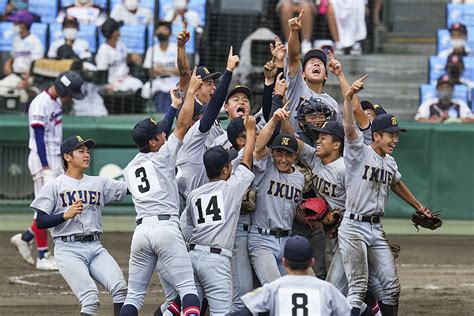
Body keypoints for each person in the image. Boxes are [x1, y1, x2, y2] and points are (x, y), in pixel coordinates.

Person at [341, 75, 434, 316]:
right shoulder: (357, 152)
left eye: (397, 134)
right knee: (358, 287)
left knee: (392, 287)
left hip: (375, 228)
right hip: (352, 225)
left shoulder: (389, 162)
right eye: (390, 134)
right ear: (377, 135)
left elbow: (397, 183)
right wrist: (349, 97)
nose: (395, 139)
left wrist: (419, 206)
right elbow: (350, 126)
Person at [119, 69, 203, 316]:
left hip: (141, 232)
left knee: (133, 297)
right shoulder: (163, 157)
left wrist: (172, 106)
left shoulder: (130, 167)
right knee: (189, 290)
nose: (163, 134)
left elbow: (162, 131)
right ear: (153, 143)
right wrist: (188, 95)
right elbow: (183, 124)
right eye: (159, 135)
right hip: (166, 229)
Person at [31, 135, 128, 315]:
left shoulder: (99, 182)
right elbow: (40, 221)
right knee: (90, 299)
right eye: (81, 151)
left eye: (87, 151)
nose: (86, 155)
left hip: (96, 247)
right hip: (68, 249)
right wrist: (64, 215)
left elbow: (129, 187)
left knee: (121, 288)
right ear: (67, 157)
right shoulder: (54, 186)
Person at [180, 115, 256, 314]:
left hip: (192, 256)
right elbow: (247, 160)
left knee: (191, 310)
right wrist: (250, 132)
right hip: (216, 260)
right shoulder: (230, 189)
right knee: (221, 312)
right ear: (225, 168)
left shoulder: (194, 195)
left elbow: (185, 227)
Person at [10, 71, 85, 271]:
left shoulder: (56, 102)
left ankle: (25, 238)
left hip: (54, 159)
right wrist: (45, 167)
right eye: (69, 93)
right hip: (42, 160)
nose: (70, 97)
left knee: (57, 206)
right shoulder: (40, 103)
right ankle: (42, 256)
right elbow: (39, 136)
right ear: (62, 89)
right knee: (44, 209)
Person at [249, 106, 304, 285]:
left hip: (287, 241)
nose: (283, 159)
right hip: (261, 239)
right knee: (275, 287)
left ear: (295, 156)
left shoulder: (300, 178)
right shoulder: (264, 168)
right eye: (279, 153)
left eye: (288, 155)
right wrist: (274, 120)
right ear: (272, 153)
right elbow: (258, 147)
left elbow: (293, 209)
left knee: (301, 286)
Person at [231, 235, 351, 316]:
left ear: (284, 262)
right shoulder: (326, 289)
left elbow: (242, 312)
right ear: (312, 263)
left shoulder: (273, 288)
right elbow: (351, 311)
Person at [285, 11, 341, 133]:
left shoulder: (333, 104)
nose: (316, 63)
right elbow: (294, 58)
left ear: (326, 76)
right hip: (292, 148)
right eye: (311, 62)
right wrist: (294, 32)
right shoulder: (296, 87)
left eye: (320, 63)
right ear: (302, 74)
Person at [0, 10, 44, 104]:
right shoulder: (16, 39)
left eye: (16, 22)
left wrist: (27, 81)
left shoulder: (35, 42)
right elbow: (14, 56)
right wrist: (8, 63)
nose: (14, 24)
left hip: (28, 79)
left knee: (16, 96)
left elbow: (36, 65)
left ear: (24, 24)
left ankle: (31, 92)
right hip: (15, 76)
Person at [95, 18, 143, 93]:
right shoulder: (103, 50)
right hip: (113, 83)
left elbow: (126, 57)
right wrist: (106, 86)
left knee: (141, 87)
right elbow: (101, 73)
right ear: (113, 33)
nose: (119, 31)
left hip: (126, 79)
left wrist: (132, 56)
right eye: (117, 29)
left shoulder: (120, 44)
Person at [141, 20, 179, 112]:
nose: (161, 32)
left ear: (170, 33)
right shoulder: (152, 49)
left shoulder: (176, 48)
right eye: (159, 30)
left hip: (173, 80)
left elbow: (180, 70)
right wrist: (154, 71)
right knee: (145, 90)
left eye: (164, 30)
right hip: (158, 80)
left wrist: (165, 70)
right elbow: (148, 71)